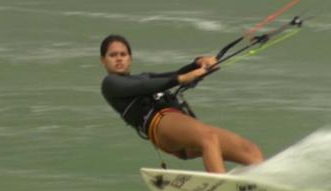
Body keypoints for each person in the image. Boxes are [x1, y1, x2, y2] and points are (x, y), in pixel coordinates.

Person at [100, 34, 263, 173]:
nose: (119, 58)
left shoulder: (143, 76)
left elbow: (175, 74)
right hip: (160, 125)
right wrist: (182, 79)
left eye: (123, 54)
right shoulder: (110, 84)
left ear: (130, 59)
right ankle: (222, 190)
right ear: (103, 61)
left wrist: (198, 63)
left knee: (251, 150)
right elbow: (146, 86)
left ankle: (263, 187)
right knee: (208, 138)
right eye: (113, 55)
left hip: (180, 124)